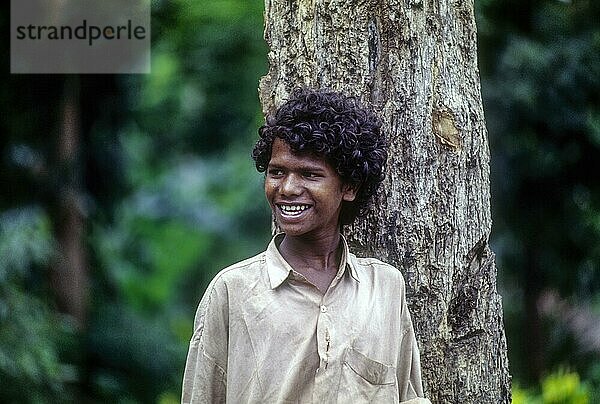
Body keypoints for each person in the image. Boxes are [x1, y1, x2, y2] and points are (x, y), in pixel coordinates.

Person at [182, 89, 431, 403]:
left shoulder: (385, 289)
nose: (287, 188)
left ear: (349, 187)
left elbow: (408, 396)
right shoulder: (233, 292)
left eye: (310, 174)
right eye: (277, 172)